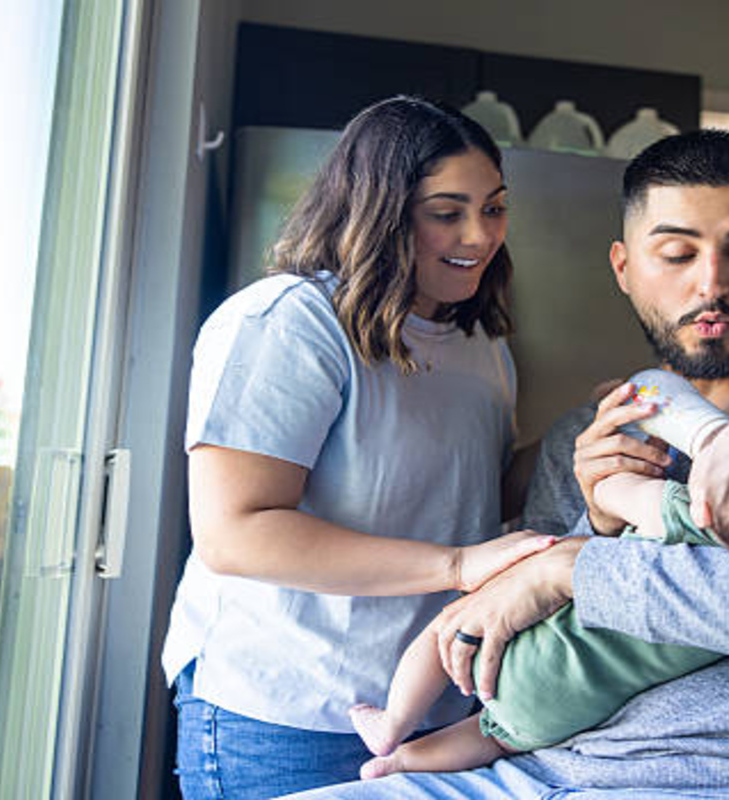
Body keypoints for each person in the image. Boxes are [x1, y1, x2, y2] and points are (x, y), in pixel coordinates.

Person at [288, 129, 729, 799]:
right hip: (544, 770)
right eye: (677, 254)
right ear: (624, 268)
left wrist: (573, 568)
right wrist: (594, 525)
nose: (713, 283)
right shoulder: (589, 438)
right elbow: (543, 646)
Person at [160, 96, 559, 798]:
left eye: (494, 208)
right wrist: (459, 565)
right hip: (283, 716)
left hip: (431, 720)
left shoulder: (478, 343)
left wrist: (578, 438)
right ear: (379, 210)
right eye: (446, 211)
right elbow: (235, 534)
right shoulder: (288, 323)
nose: (480, 234)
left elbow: (470, 501)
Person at [346, 388, 729, 779]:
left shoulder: (683, 514)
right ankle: (402, 763)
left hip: (528, 652)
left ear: (702, 503)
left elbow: (608, 492)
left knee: (450, 625)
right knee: (492, 736)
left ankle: (393, 726)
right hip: (568, 708)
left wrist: (628, 479)